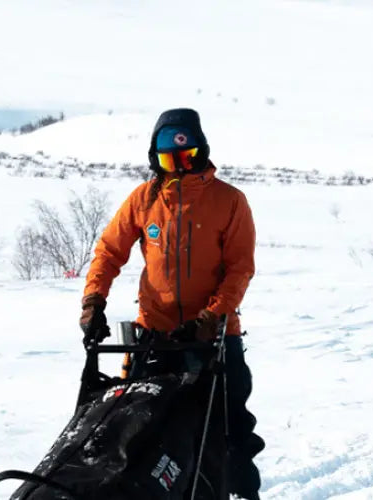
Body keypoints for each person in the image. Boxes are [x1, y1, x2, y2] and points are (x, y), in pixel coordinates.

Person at [78, 108, 264, 500]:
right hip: (155, 337)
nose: (179, 167)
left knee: (231, 432)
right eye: (169, 160)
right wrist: (94, 301)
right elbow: (109, 252)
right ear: (155, 159)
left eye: (187, 157)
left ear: (201, 152)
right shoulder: (144, 200)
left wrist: (210, 318)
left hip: (213, 337)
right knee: (138, 435)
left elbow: (239, 269)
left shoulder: (229, 201)